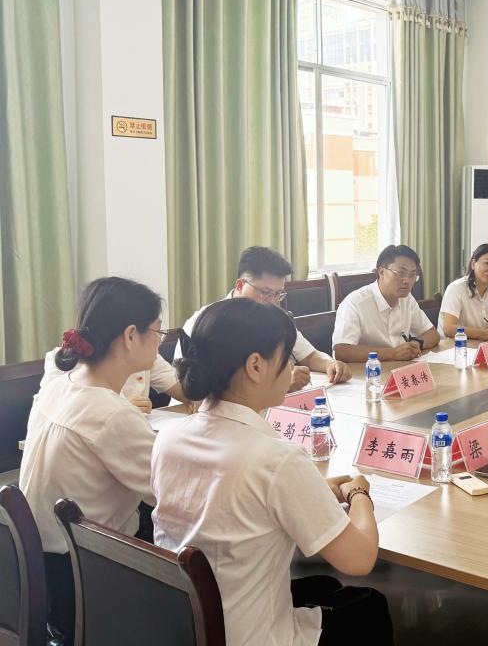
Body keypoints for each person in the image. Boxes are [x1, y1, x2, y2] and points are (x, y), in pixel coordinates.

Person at [153, 298, 392, 645]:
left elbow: (230, 500)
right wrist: (359, 494)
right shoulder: (275, 458)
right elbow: (359, 558)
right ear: (255, 366)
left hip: (187, 626)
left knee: (326, 587)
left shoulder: (169, 438)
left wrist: (316, 488)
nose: (293, 368)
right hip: (249, 635)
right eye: (286, 358)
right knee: (370, 608)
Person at [19, 277, 164, 640]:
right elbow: (171, 493)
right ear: (130, 336)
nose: (160, 341)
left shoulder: (59, 384)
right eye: (157, 331)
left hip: (37, 567)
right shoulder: (110, 413)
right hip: (85, 579)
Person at [178, 246, 351, 390]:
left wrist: (330, 364)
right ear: (240, 285)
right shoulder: (205, 323)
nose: (272, 301)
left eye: (278, 294)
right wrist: (280, 384)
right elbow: (197, 389)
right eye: (266, 293)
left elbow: (309, 355)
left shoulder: (275, 317)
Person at [332, 244, 440, 362]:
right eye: (400, 273)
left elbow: (432, 334)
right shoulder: (355, 303)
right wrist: (392, 353)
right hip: (367, 371)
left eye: (412, 275)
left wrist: (416, 343)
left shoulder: (407, 299)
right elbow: (341, 351)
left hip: (399, 368)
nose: (407, 280)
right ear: (382, 272)